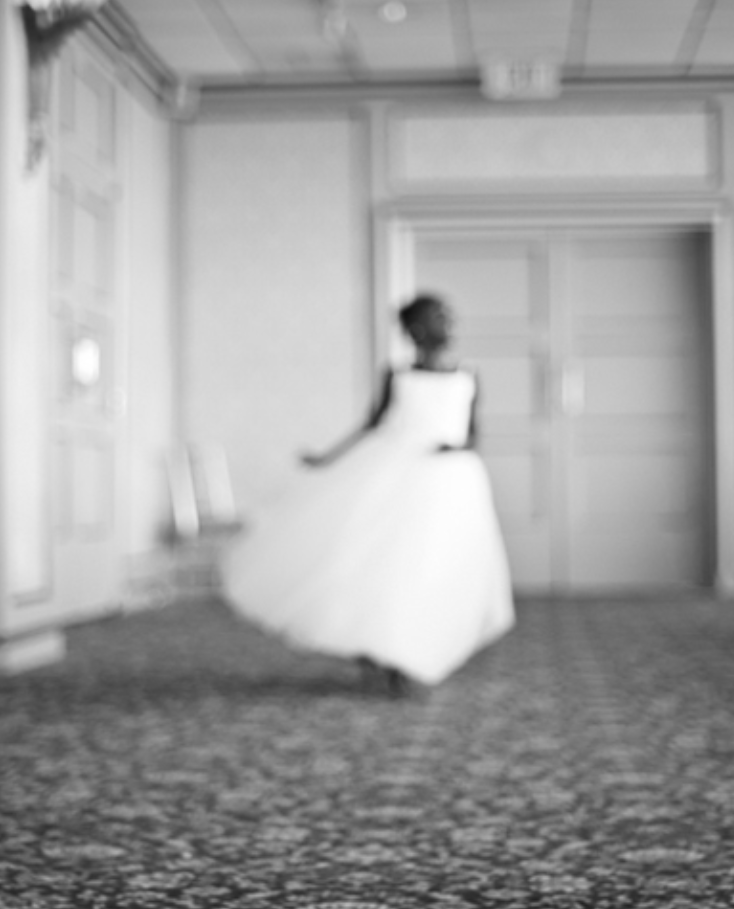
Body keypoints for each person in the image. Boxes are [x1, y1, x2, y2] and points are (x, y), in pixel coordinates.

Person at [219, 293, 515, 696]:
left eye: (447, 316)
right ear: (413, 330)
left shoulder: (469, 377)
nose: (445, 325)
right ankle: (382, 649)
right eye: (434, 318)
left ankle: (417, 652)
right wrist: (327, 459)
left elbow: (472, 434)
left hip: (449, 485)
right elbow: (372, 425)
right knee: (384, 565)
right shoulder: (397, 376)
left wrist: (456, 450)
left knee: (435, 566)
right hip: (394, 477)